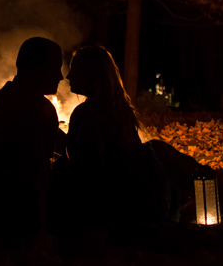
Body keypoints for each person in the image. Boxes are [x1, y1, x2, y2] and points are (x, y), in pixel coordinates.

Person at [63, 46, 202, 229]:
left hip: (122, 208)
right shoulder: (120, 110)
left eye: (75, 69)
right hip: (150, 199)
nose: (68, 76)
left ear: (90, 74)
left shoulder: (86, 114)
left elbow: (85, 169)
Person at [0, 36, 65, 237]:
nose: (60, 76)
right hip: (12, 217)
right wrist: (39, 230)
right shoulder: (40, 108)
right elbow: (36, 172)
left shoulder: (1, 98)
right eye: (55, 68)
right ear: (36, 68)